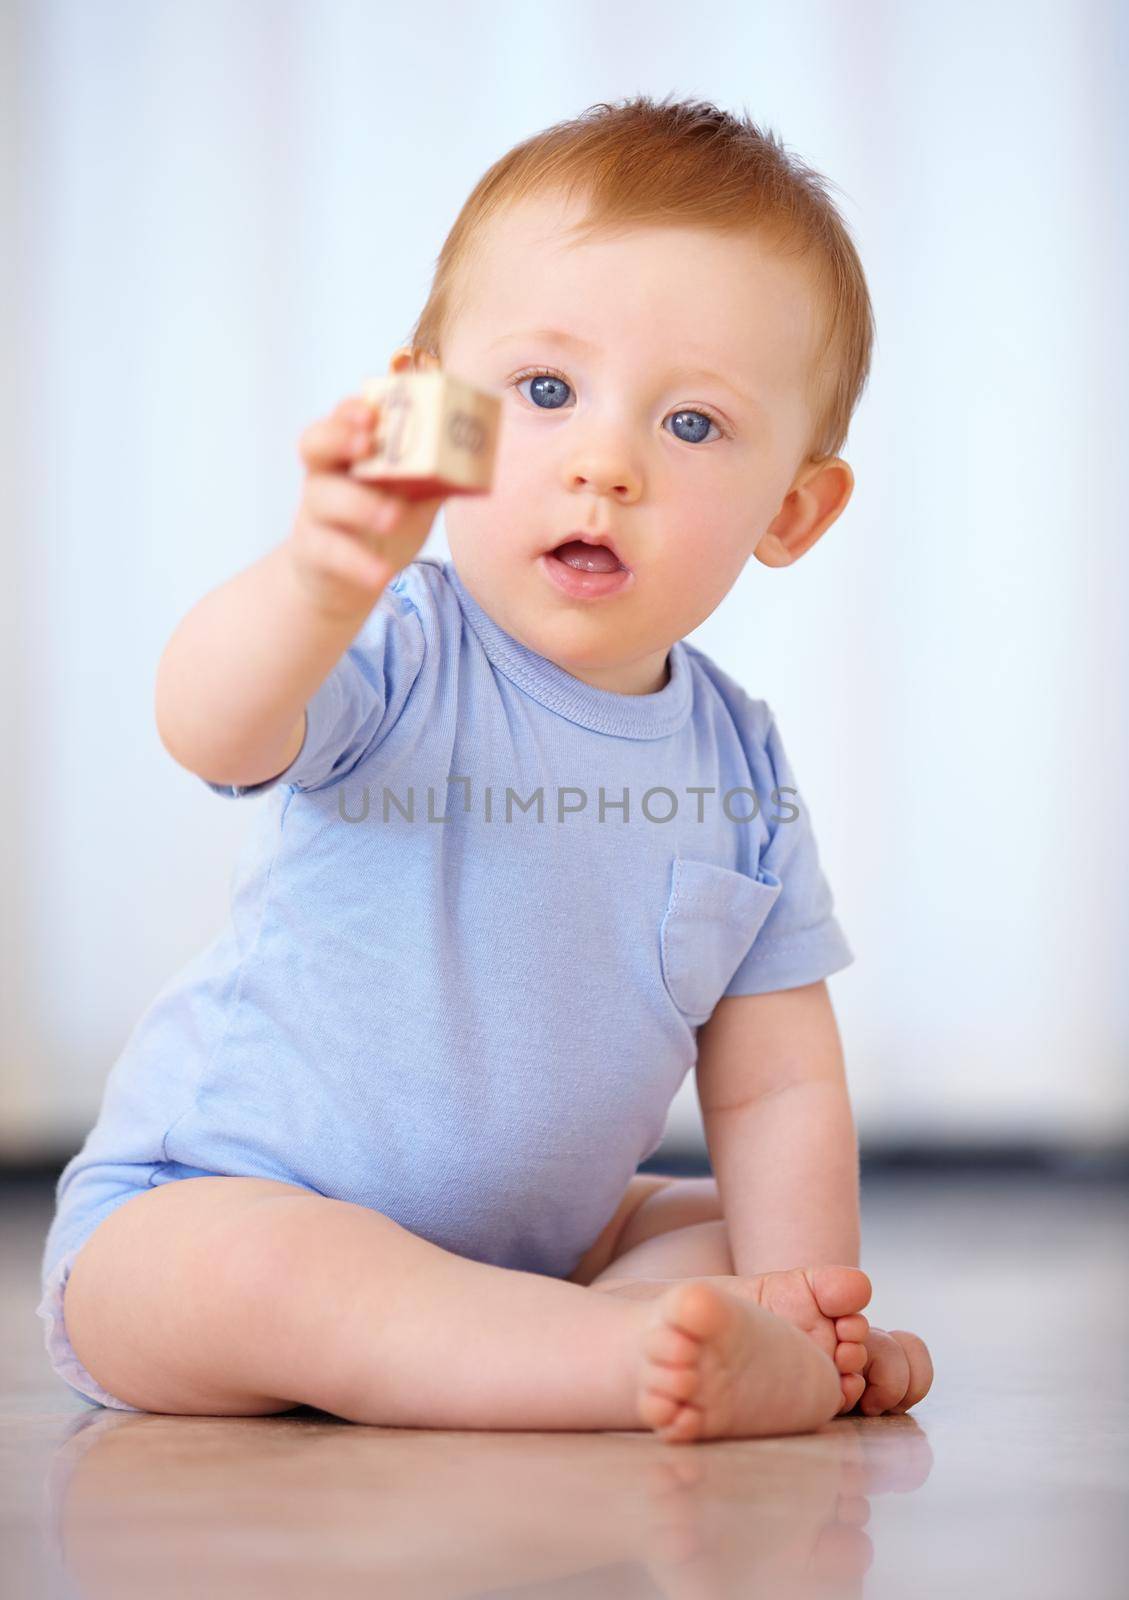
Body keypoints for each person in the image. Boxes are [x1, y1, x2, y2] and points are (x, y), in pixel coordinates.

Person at [38, 95, 932, 1442]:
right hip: (206, 1214)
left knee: (722, 1232)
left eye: (690, 426)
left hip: (534, 1254)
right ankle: (606, 1365)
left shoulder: (736, 758)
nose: (603, 465)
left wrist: (804, 1298)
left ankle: (685, 1346)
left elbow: (777, 1080)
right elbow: (209, 727)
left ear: (790, 511)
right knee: (293, 1275)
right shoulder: (398, 643)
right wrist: (317, 576)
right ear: (429, 414)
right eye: (546, 392)